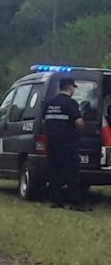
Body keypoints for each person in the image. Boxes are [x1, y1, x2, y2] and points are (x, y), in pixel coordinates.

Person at [44, 77, 90, 211]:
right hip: (68, 145)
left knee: (55, 173)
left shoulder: (49, 104)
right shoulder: (71, 104)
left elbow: (44, 122)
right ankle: (76, 202)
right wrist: (81, 131)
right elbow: (79, 122)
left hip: (52, 145)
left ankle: (56, 201)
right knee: (72, 174)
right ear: (70, 87)